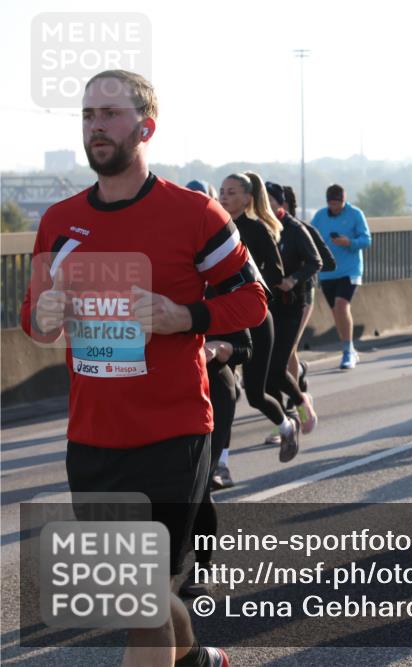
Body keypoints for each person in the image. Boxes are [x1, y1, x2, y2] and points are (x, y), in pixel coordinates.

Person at [21, 69, 264, 667]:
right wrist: (43, 313)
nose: (95, 126)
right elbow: (34, 321)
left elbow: (252, 300)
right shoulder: (59, 221)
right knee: (137, 595)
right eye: (87, 116)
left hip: (172, 433)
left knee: (137, 603)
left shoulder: (196, 214)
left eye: (109, 114)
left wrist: (183, 315)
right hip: (92, 436)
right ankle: (198, 659)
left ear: (145, 126)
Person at [218, 172, 301, 461]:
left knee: (254, 395)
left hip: (254, 319)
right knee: (224, 394)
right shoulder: (213, 228)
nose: (223, 197)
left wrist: (246, 285)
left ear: (247, 198)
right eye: (222, 191)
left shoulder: (256, 230)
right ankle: (222, 465)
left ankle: (287, 425)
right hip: (221, 318)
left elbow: (276, 274)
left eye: (231, 192)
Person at [184, 315, 252, 591]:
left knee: (199, 483)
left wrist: (220, 348)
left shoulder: (217, 282)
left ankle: (203, 568)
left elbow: (245, 348)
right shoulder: (139, 282)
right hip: (160, 393)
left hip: (212, 392)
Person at [263, 181, 321, 431]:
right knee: (270, 367)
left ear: (281, 203)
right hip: (268, 303)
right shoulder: (259, 228)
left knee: (282, 361)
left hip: (296, 302)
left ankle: (294, 409)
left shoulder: (296, 229)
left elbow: (318, 261)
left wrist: (294, 279)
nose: (264, 204)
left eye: (269, 199)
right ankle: (287, 416)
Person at [277, 184, 336, 393]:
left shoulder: (302, 229)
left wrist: (298, 272)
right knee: (279, 348)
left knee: (290, 346)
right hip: (278, 298)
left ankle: (294, 399)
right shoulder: (266, 229)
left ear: (284, 204)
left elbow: (327, 262)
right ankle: (298, 374)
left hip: (303, 295)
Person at [311, 184, 371, 369]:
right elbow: (310, 236)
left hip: (350, 270)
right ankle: (349, 348)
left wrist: (349, 242)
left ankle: (347, 350)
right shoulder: (320, 216)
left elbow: (367, 239)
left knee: (342, 305)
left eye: (339, 203)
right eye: (332, 203)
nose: (335, 207)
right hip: (328, 272)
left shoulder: (355, 214)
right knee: (336, 312)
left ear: (344, 201)